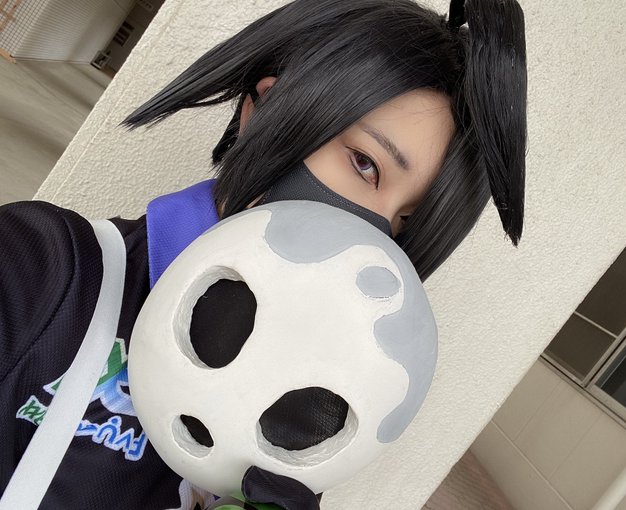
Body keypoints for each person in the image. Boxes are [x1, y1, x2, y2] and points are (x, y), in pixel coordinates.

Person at [0, 0, 527, 508]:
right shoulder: (44, 271)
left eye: (406, 222)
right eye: (365, 164)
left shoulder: (314, 406)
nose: (374, 229)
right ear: (266, 107)